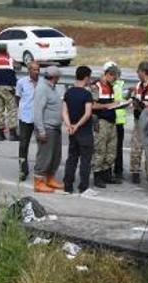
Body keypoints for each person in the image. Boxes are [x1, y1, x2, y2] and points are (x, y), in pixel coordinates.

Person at [62, 66, 96, 195]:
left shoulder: (68, 92)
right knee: (85, 160)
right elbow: (88, 113)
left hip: (73, 132)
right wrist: (77, 125)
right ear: (86, 77)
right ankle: (83, 187)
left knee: (71, 159)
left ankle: (68, 186)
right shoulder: (86, 94)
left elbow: (64, 112)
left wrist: (69, 125)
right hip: (85, 132)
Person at [33, 66, 64, 193]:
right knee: (45, 156)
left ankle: (50, 178)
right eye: (58, 77)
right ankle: (38, 182)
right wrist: (41, 130)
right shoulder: (42, 89)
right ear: (55, 77)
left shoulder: (54, 88)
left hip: (56, 128)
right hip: (46, 128)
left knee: (55, 156)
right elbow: (37, 111)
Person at [90, 65, 122, 188]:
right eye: (114, 78)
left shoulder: (110, 86)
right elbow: (92, 105)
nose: (115, 81)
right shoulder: (96, 86)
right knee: (100, 149)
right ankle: (97, 176)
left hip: (111, 121)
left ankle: (107, 174)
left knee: (111, 149)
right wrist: (108, 105)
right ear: (108, 74)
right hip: (101, 121)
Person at [15, 61, 41, 181]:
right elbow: (18, 98)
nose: (37, 72)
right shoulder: (21, 82)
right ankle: (22, 170)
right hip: (25, 118)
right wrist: (22, 111)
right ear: (29, 70)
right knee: (23, 145)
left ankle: (40, 169)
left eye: (38, 70)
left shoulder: (43, 83)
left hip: (40, 119)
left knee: (42, 146)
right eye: (34, 70)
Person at [0, 43, 18, 142]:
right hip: (7, 87)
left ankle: (0, 134)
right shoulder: (9, 60)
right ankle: (13, 133)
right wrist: (8, 56)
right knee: (12, 110)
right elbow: (18, 67)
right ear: (6, 50)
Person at [103, 61, 127, 181]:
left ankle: (118, 171)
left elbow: (121, 98)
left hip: (119, 119)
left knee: (118, 148)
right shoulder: (104, 85)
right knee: (107, 148)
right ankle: (106, 171)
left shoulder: (120, 84)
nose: (115, 75)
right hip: (109, 119)